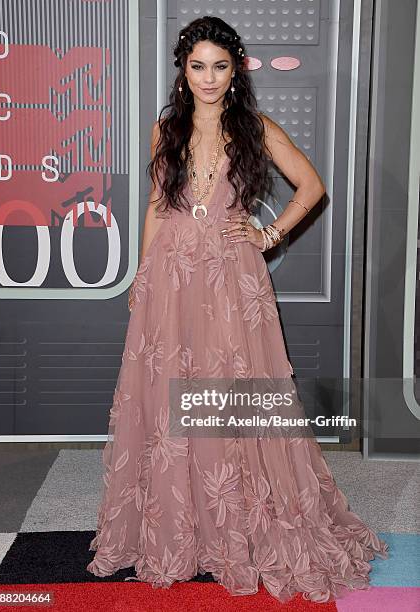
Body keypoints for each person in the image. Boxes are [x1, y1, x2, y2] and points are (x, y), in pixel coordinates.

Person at [86, 16, 389, 604]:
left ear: (235, 70)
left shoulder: (254, 128)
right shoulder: (163, 131)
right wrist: (142, 275)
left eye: (219, 66)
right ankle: (183, 525)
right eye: (197, 66)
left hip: (230, 274)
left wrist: (269, 234)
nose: (207, 78)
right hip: (171, 273)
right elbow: (155, 204)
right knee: (172, 387)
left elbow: (312, 186)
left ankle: (237, 522)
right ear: (183, 71)